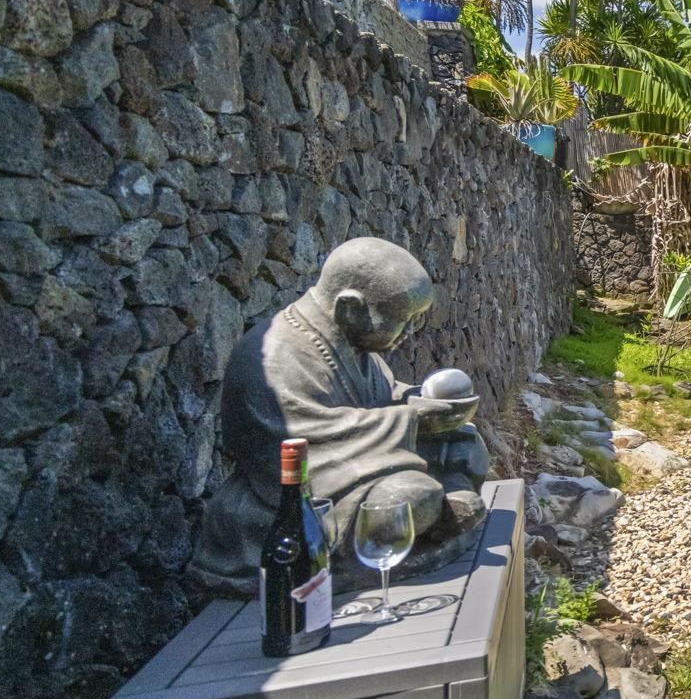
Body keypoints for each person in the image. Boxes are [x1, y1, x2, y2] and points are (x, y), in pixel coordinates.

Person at [192, 237, 487, 593]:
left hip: (364, 463)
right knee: (408, 498)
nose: (409, 333)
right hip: (295, 501)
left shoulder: (351, 341)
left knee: (465, 443)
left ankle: (444, 510)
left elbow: (381, 395)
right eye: (402, 321)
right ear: (351, 308)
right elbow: (302, 439)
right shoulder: (273, 357)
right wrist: (410, 420)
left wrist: (417, 400)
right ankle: (440, 509)